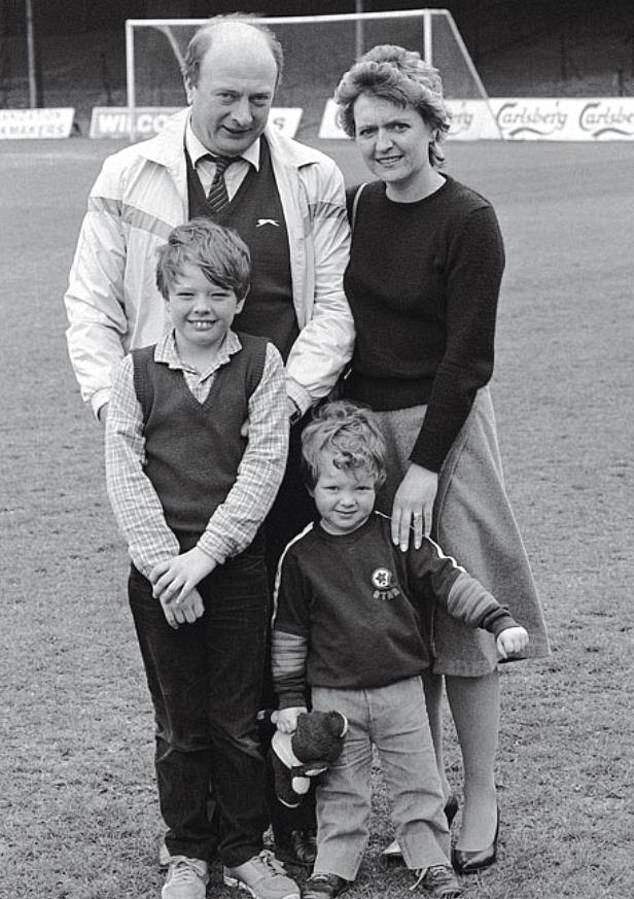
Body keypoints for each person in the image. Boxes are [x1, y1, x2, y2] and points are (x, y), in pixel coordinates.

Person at [64, 13, 353, 863]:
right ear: (189, 87)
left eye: (260, 97)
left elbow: (332, 307)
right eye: (226, 94)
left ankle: (285, 813)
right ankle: (200, 832)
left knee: (288, 633)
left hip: (276, 442)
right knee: (191, 649)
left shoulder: (312, 175)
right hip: (172, 449)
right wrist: (119, 407)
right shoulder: (128, 174)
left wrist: (282, 403)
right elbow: (90, 304)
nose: (243, 112)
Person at [333, 45, 550, 874]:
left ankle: (483, 793)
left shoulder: (469, 218)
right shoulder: (360, 206)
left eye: (399, 126)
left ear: (433, 127)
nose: (383, 143)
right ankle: (424, 802)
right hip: (368, 432)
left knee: (463, 620)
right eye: (368, 129)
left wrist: (423, 464)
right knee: (400, 620)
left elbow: (468, 359)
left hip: (446, 432)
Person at [105, 218, 298, 899]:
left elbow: (263, 468)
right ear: (165, 295)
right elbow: (125, 472)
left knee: (237, 720)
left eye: (218, 294)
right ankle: (188, 850)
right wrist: (167, 566)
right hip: (158, 576)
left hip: (235, 570)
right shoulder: (133, 370)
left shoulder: (261, 362)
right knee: (180, 721)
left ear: (240, 299)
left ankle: (246, 847)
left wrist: (204, 560)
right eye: (187, 293)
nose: (202, 308)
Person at [271, 401, 530, 899]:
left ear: (378, 484)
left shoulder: (398, 536)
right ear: (310, 487)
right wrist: (288, 701)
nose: (347, 501)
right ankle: (334, 864)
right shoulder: (300, 557)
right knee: (341, 789)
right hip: (334, 699)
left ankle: (429, 859)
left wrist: (498, 620)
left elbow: (451, 581)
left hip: (402, 692)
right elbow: (288, 635)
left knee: (419, 783)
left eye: (361, 488)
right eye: (333, 488)